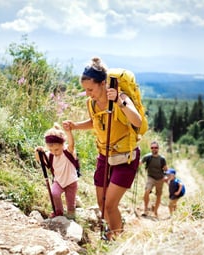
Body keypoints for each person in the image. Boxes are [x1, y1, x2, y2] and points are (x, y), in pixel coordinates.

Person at [63, 57, 145, 240]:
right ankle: (111, 232)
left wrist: (118, 101)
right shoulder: (91, 103)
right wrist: (75, 126)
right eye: (85, 90)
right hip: (104, 156)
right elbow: (95, 121)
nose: (88, 93)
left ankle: (116, 240)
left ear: (103, 83)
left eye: (90, 89)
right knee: (101, 202)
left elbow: (137, 121)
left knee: (110, 204)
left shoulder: (120, 97)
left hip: (126, 158)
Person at [35, 122, 79, 219]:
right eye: (50, 150)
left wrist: (68, 132)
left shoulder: (68, 152)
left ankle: (71, 214)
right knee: (54, 193)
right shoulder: (50, 155)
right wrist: (37, 152)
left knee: (70, 203)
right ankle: (59, 211)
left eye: (56, 149)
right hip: (59, 181)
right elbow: (39, 160)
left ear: (63, 144)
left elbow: (72, 143)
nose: (54, 152)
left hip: (71, 182)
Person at [140, 141, 167, 218]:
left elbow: (165, 169)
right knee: (146, 191)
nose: (154, 149)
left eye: (156, 147)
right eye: (152, 147)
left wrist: (166, 176)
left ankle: (155, 211)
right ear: (150, 148)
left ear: (158, 148)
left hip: (160, 179)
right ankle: (145, 209)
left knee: (158, 196)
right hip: (150, 177)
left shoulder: (162, 159)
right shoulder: (147, 157)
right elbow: (140, 163)